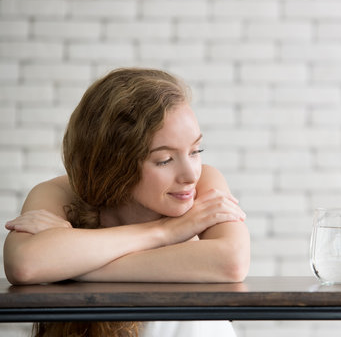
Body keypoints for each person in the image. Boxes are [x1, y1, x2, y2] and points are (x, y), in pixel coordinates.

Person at [3, 68, 250, 337]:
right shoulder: (60, 193)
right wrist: (165, 232)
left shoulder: (205, 183)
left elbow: (232, 262)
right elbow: (25, 265)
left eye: (195, 151)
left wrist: (70, 267)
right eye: (164, 160)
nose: (190, 174)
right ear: (115, 164)